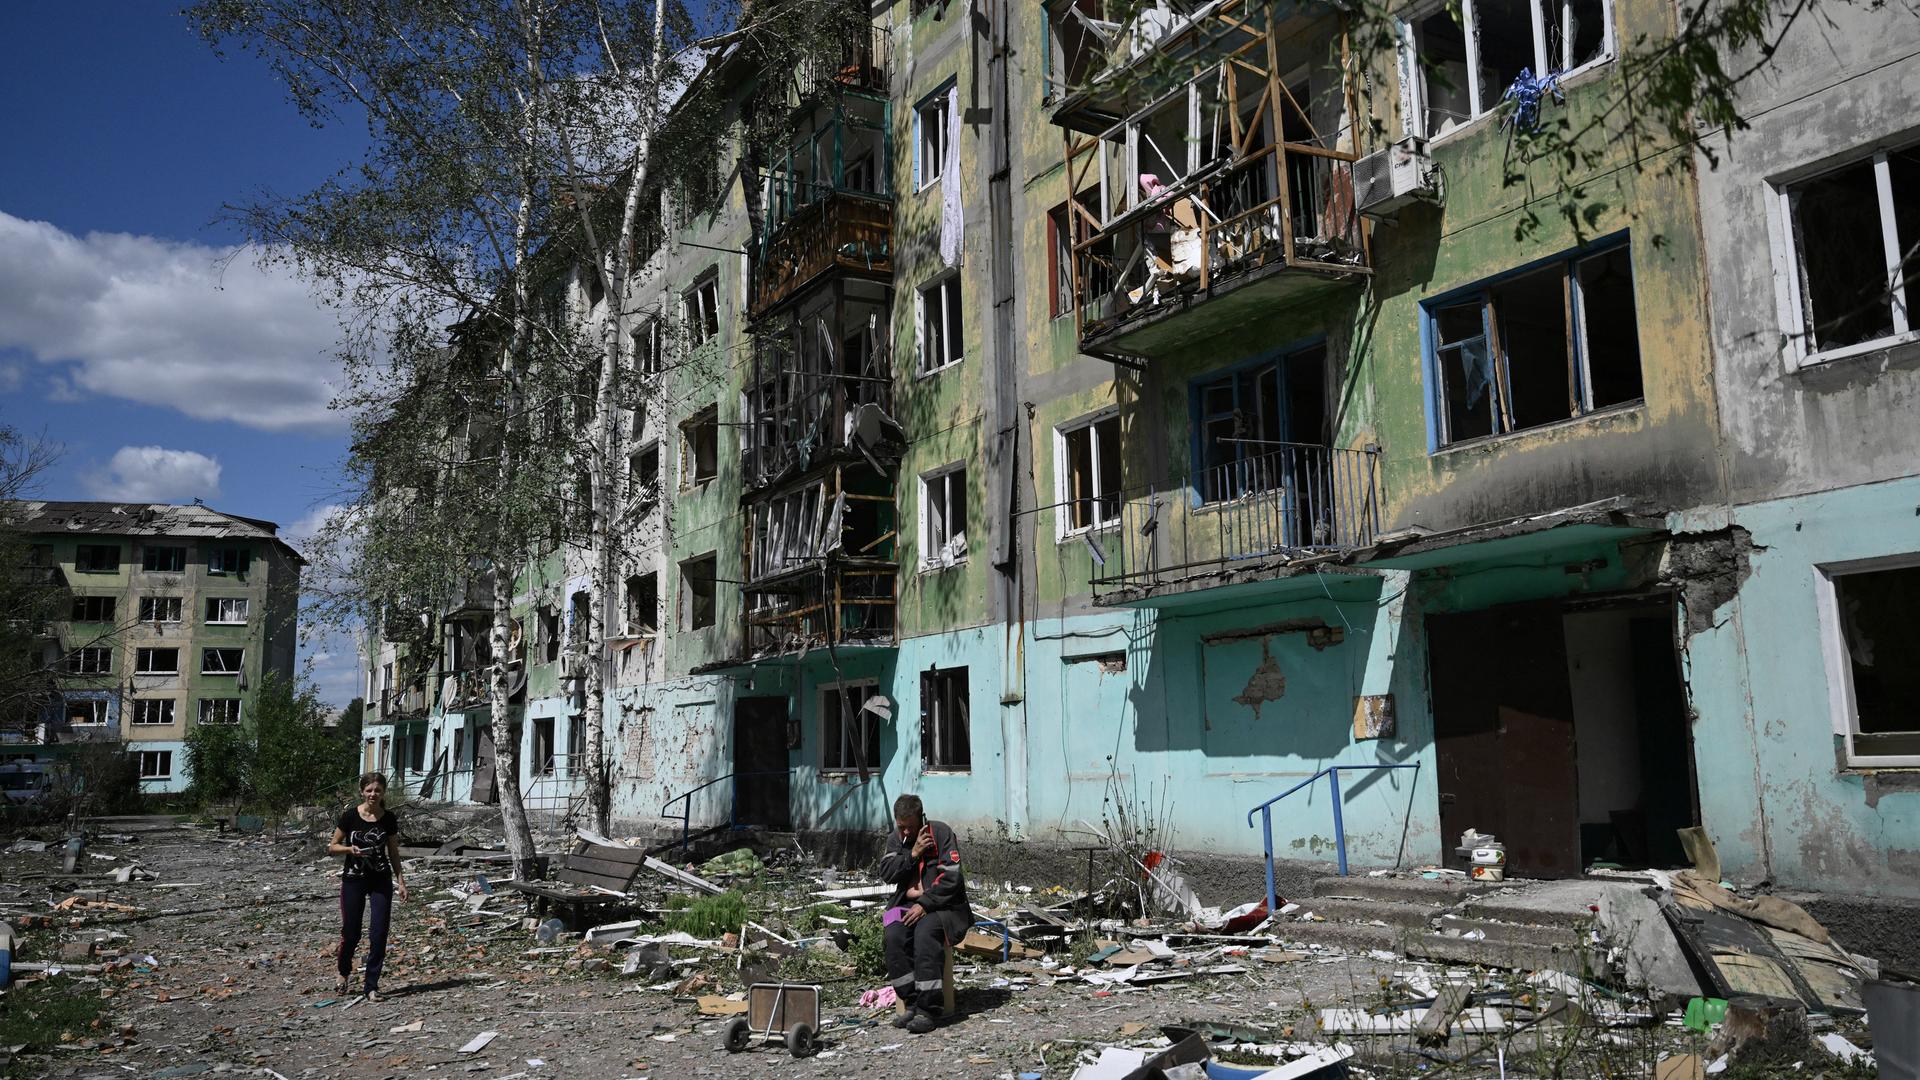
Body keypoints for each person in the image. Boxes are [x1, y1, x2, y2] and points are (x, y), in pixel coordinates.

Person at [876, 794, 971, 1034]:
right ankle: (911, 1002)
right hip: (907, 905)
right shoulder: (897, 840)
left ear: (921, 819)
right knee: (894, 936)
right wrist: (913, 854)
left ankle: (929, 1009)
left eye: (910, 826)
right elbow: (887, 872)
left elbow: (951, 878)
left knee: (925, 934)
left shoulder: (941, 833)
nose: (905, 831)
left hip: (942, 907)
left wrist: (925, 904)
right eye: (901, 826)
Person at [328, 772, 409, 1001]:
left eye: (378, 790)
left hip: (380, 880)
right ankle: (343, 972)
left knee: (379, 933)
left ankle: (371, 986)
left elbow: (393, 852)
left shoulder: (388, 818)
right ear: (362, 792)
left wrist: (401, 882)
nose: (373, 794)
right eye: (369, 790)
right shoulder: (350, 817)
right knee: (351, 932)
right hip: (354, 879)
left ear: (383, 793)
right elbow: (332, 846)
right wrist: (348, 849)